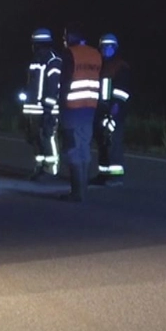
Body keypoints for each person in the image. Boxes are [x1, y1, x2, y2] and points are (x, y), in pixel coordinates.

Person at [57, 28, 103, 202]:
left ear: (71, 37)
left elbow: (65, 81)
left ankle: (77, 193)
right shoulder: (95, 54)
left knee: (72, 149)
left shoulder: (70, 53)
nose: (64, 40)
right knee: (84, 148)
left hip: (72, 108)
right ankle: (83, 190)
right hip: (90, 106)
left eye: (65, 36)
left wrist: (60, 106)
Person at [21, 28, 62, 181]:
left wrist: (48, 109)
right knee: (35, 139)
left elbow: (53, 87)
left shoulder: (53, 60)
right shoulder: (35, 60)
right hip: (32, 108)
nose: (33, 47)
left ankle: (51, 170)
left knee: (48, 137)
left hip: (47, 109)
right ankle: (39, 167)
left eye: (35, 44)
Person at [92, 33, 130, 186]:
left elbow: (122, 90)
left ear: (115, 48)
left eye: (110, 46)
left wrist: (116, 106)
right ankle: (103, 174)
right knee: (102, 142)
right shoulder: (100, 66)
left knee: (113, 142)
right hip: (101, 110)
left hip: (115, 111)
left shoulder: (120, 66)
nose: (106, 49)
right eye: (104, 46)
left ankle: (115, 177)